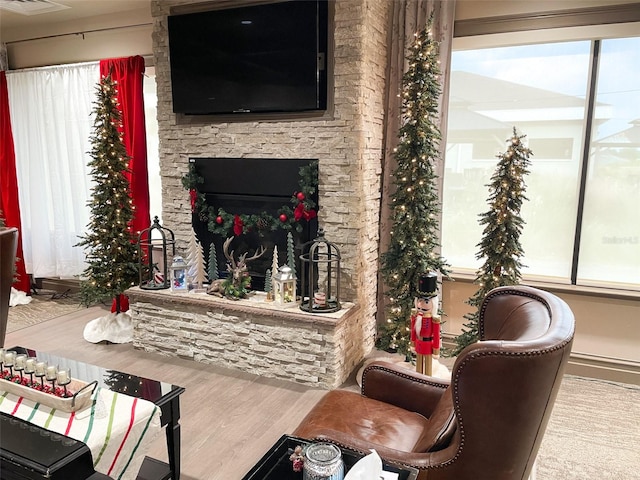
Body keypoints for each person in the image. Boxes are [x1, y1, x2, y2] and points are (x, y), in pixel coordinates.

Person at [410, 273, 441, 375]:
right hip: (419, 343)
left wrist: (435, 350)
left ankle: (427, 379)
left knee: (428, 366)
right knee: (418, 365)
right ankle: (419, 377)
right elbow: (413, 331)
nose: (420, 304)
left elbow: (436, 335)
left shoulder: (434, 320)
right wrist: (413, 344)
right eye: (419, 301)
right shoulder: (416, 316)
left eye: (425, 302)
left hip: (428, 345)